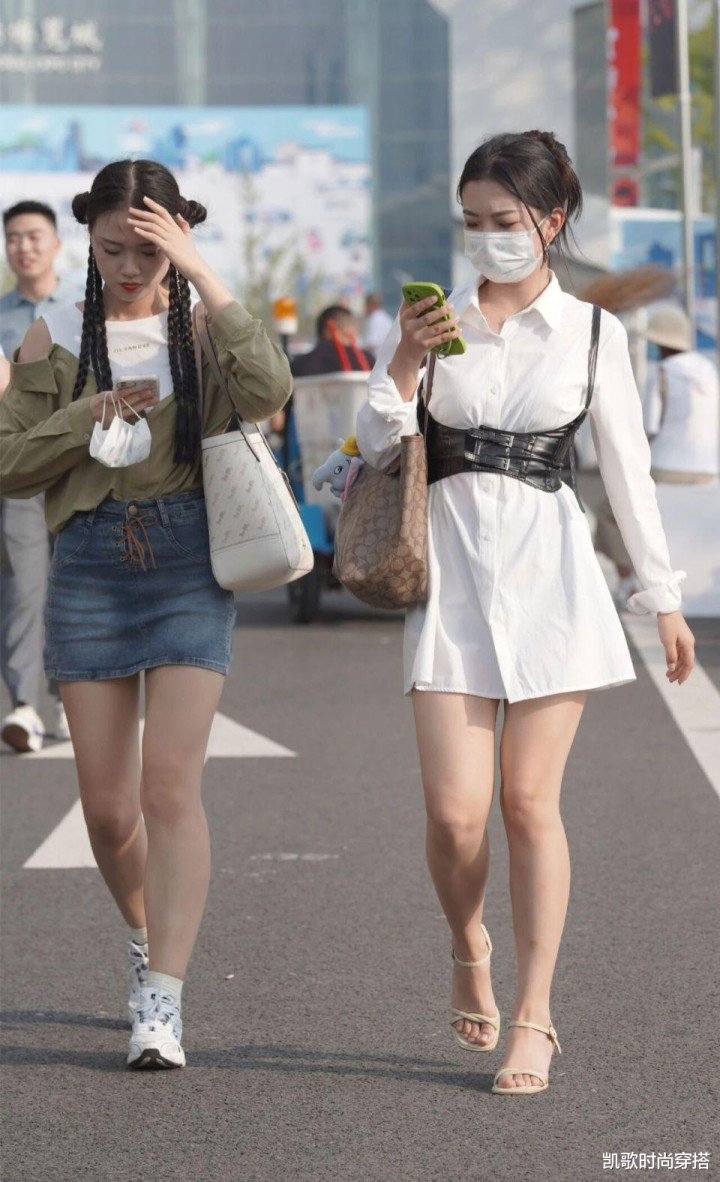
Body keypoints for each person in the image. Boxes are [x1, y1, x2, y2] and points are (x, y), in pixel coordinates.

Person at [355, 130, 694, 1096]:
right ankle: (469, 942)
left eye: (503, 220)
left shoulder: (592, 333)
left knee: (528, 803)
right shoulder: (435, 320)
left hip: (551, 578)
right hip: (451, 579)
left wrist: (661, 598)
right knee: (454, 816)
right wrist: (405, 359)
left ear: (551, 220)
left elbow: (626, 470)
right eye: (471, 221)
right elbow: (376, 441)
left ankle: (535, 1015)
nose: (486, 237)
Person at [0, 159, 292, 1070]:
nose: (129, 267)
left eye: (149, 250)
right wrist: (85, 415)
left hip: (185, 564)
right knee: (107, 812)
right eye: (111, 249)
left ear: (178, 240)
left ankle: (162, 997)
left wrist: (201, 274)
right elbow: (10, 463)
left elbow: (271, 391)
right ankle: (142, 936)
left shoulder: (200, 324)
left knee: (169, 789)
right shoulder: (55, 334)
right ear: (87, 240)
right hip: (89, 566)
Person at [0, 201, 78, 752]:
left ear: (55, 243)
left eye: (33, 236)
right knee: (24, 588)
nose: (23, 247)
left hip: (78, 468)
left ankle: (74, 697)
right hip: (20, 473)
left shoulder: (80, 310)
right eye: (12, 238)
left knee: (77, 586)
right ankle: (25, 706)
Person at [594, 303, 718, 604]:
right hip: (708, 470)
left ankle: (627, 581)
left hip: (666, 466)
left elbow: (647, 425)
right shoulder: (708, 369)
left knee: (611, 510)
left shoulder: (663, 371)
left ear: (661, 343)